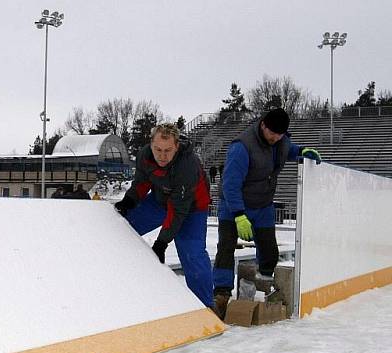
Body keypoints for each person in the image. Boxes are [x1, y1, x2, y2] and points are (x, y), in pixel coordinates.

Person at [212, 108, 321, 319]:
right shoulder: (241, 147)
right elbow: (230, 185)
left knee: (269, 250)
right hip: (234, 204)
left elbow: (287, 150)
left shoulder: (281, 142)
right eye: (272, 133)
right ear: (263, 125)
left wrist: (302, 151)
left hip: (262, 206)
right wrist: (239, 215)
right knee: (226, 248)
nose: (275, 138)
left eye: (280, 135)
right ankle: (222, 294)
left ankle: (264, 285)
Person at [114, 123, 214, 308]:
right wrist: (129, 201)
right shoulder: (145, 155)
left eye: (168, 150)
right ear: (151, 144)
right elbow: (142, 183)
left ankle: (205, 307)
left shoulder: (187, 165)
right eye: (158, 149)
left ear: (176, 146)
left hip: (190, 208)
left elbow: (178, 210)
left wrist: (161, 243)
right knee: (121, 228)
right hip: (160, 199)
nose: (162, 155)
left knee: (193, 255)